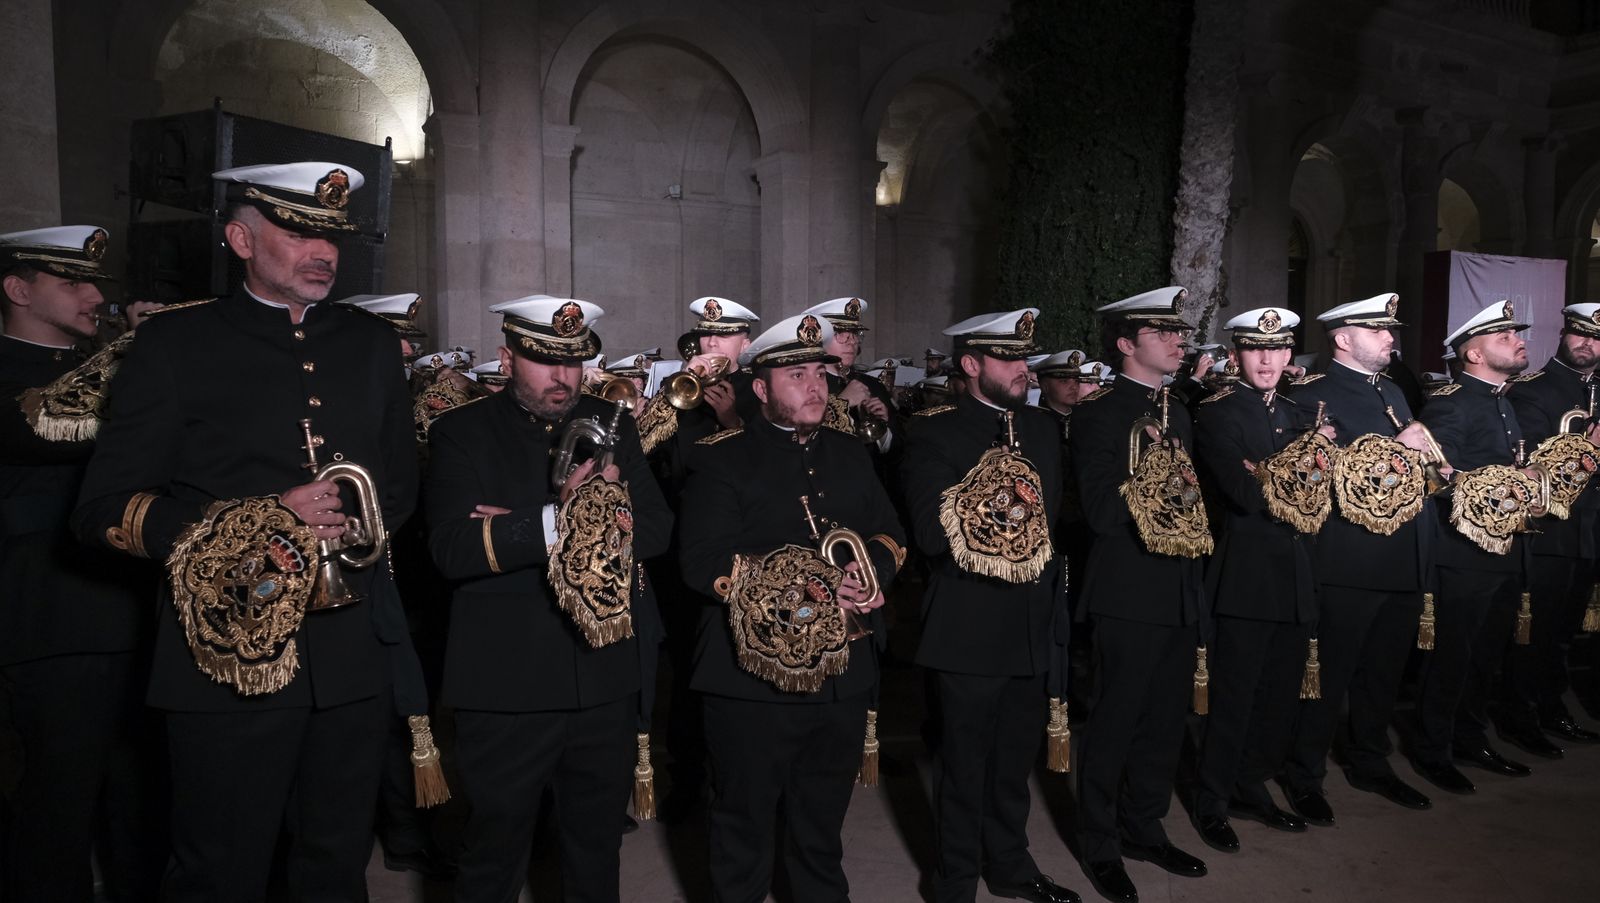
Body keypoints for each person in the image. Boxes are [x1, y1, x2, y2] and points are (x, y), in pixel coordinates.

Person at [73, 161, 419, 900]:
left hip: (352, 658)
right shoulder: (174, 344)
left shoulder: (368, 345)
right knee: (220, 870)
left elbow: (399, 487)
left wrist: (353, 525)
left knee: (334, 866)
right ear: (239, 238)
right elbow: (102, 508)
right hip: (223, 656)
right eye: (297, 233)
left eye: (330, 236)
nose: (322, 251)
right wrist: (263, 522)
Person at [425, 295, 671, 901]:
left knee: (595, 856)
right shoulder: (460, 432)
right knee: (494, 855)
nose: (562, 377)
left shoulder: (613, 423)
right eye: (544, 362)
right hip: (506, 685)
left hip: (603, 678)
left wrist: (512, 529)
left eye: (573, 362)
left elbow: (660, 531)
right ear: (507, 360)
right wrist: (565, 519)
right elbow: (453, 549)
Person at [677, 311, 905, 902]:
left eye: (821, 375)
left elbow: (889, 533)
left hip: (844, 676)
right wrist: (806, 586)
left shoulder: (851, 451)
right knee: (743, 826)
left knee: (822, 825)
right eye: (796, 375)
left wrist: (870, 572)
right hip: (751, 678)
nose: (814, 387)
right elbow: (701, 563)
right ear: (760, 389)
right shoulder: (719, 456)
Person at [0, 225, 164, 901]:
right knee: (56, 810)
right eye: (72, 282)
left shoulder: (112, 364)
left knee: (145, 805)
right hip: (53, 624)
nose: (95, 296)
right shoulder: (13, 374)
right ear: (17, 289)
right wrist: (140, 348)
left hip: (136, 614)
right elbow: (46, 423)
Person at [902, 308, 1078, 903]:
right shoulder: (933, 431)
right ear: (973, 365)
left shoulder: (1045, 429)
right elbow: (932, 534)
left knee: (1011, 768)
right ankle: (954, 881)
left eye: (1025, 358)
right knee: (962, 768)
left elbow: (1051, 527)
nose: (1023, 369)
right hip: (968, 628)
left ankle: (1010, 865)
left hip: (1031, 625)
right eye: (1008, 359)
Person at [1069, 287, 1209, 903]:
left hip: (1179, 585)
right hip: (1126, 589)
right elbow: (1100, 510)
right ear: (1127, 344)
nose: (1180, 341)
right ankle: (1099, 843)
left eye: (1180, 333)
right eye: (1164, 333)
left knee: (1163, 721)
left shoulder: (1180, 409)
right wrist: (1154, 477)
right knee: (1114, 721)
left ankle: (1144, 826)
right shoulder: (1101, 412)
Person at [1280, 292, 1434, 821]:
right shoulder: (1311, 393)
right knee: (1327, 675)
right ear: (1343, 339)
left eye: (1389, 330)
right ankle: (1303, 773)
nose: (1391, 339)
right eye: (1378, 331)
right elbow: (1315, 476)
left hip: (1402, 557)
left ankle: (1370, 760)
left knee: (1383, 675)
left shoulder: (1392, 389)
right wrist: (1399, 449)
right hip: (1348, 560)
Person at [1190, 308, 1327, 854]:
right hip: (1246, 578)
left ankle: (1251, 785)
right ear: (1236, 356)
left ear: (1290, 355)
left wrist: (1276, 470)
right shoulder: (1218, 414)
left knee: (1277, 699)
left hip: (1298, 574)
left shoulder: (1300, 411)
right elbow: (1246, 494)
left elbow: (1319, 493)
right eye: (1254, 349)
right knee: (1234, 698)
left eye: (1277, 349)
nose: (1267, 359)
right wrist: (1307, 462)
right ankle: (1211, 801)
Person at [1413, 300, 1548, 793]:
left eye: (1517, 334)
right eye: (1505, 336)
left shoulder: (1502, 399)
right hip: (1463, 555)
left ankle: (1470, 738)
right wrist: (1508, 485)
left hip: (1504, 550)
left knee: (1486, 654)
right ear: (1473, 352)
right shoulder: (1452, 401)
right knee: (1452, 656)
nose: (1518, 341)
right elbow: (1435, 476)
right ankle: (1433, 750)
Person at [1505, 303, 1600, 746]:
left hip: (1592, 531)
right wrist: (1589, 449)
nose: (1589, 344)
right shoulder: (1532, 390)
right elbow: (1532, 468)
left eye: (1597, 338)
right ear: (1564, 334)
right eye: (1580, 334)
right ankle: (1521, 716)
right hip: (1552, 531)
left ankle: (1552, 704)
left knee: (1566, 631)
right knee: (1536, 630)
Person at [801, 297, 896, 452]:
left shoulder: (874, 385)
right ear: (819, 339)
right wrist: (842, 402)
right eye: (840, 333)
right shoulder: (804, 387)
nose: (852, 341)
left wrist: (883, 430)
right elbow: (798, 441)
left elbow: (898, 457)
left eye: (855, 334)